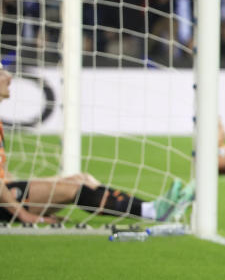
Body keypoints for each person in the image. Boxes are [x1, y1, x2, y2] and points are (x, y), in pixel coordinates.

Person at [0, 65, 194, 225]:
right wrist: (25, 216)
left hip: (7, 192)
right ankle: (151, 211)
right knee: (72, 188)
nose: (9, 77)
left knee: (80, 179)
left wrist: (50, 183)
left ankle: (152, 207)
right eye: (2, 73)